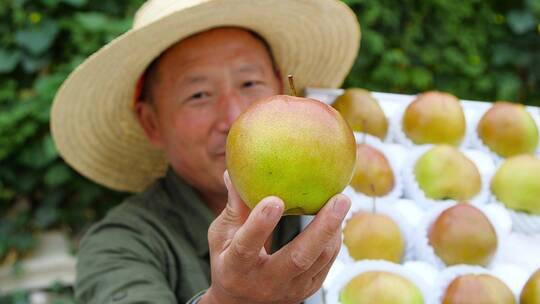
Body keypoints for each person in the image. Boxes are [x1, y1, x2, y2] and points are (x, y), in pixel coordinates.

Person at [51, 0, 360, 303]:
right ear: (151, 122)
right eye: (198, 95)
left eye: (250, 82)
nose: (234, 118)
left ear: (280, 86)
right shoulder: (121, 245)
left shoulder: (351, 206)